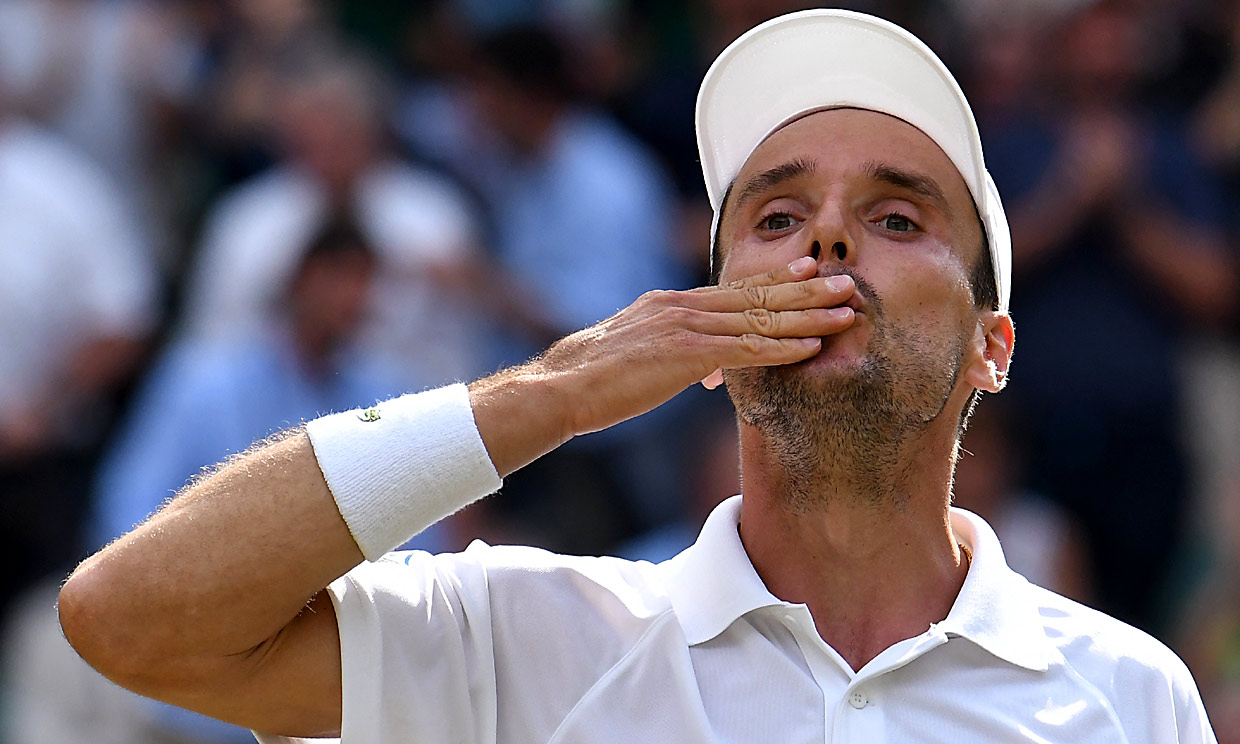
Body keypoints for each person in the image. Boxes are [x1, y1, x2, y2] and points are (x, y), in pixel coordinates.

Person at [58, 9, 1216, 743]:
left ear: (989, 348)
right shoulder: (522, 633)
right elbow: (131, 623)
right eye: (775, 214)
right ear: (706, 336)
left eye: (896, 215)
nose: (825, 241)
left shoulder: (1129, 692)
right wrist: (549, 392)